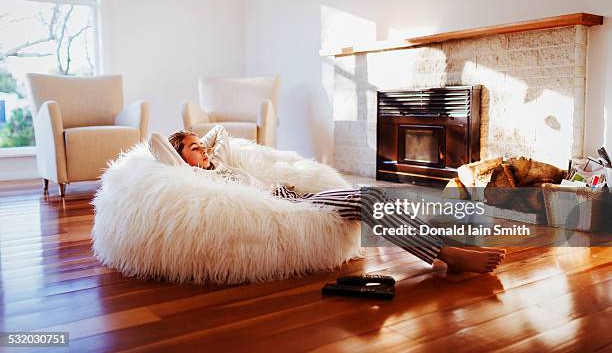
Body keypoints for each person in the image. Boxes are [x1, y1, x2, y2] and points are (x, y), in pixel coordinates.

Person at [151, 126, 505, 273]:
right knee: (367, 201)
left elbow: (220, 134)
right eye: (194, 148)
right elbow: (159, 150)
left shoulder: (220, 160)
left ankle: (445, 240)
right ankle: (446, 254)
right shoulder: (197, 181)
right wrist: (180, 149)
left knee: (371, 194)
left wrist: (200, 144)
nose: (204, 149)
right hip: (287, 208)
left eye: (202, 144)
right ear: (181, 159)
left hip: (295, 193)